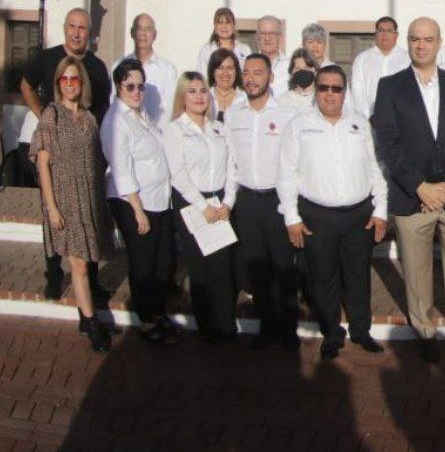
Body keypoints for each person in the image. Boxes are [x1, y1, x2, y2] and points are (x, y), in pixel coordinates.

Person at [371, 17, 445, 362]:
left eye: (428, 39)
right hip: (411, 197)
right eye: (415, 39)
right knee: (417, 270)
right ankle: (423, 330)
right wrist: (420, 186)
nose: (421, 45)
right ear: (408, 42)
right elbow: (388, 143)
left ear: (439, 43)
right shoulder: (390, 86)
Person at [279, 65, 388, 360]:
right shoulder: (298, 125)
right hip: (317, 215)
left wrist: (381, 209)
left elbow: (376, 168)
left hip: (358, 214)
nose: (329, 94)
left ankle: (361, 330)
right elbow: (287, 173)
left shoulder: (361, 124)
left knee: (357, 274)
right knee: (323, 278)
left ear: (344, 92)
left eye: (336, 88)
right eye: (323, 87)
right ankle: (331, 332)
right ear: (316, 91)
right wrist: (292, 216)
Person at [20, 8, 112, 301]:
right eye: (72, 26)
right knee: (53, 212)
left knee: (91, 215)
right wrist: (42, 114)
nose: (76, 33)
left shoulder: (97, 67)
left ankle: (92, 280)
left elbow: (104, 109)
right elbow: (25, 86)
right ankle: (54, 274)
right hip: (54, 151)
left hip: (87, 151)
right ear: (64, 28)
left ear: (89, 32)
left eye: (82, 28)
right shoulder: (47, 58)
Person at [30, 55, 116, 352]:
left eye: (74, 79)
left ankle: (84, 314)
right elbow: (42, 163)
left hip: (89, 196)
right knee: (78, 264)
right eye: (64, 79)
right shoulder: (50, 115)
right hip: (64, 198)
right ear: (58, 84)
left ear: (82, 83)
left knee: (89, 259)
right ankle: (92, 324)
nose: (69, 84)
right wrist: (51, 207)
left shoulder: (90, 118)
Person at [226, 53, 300, 349]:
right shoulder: (234, 114)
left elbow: (294, 163)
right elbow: (231, 163)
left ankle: (289, 329)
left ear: (270, 78)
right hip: (247, 202)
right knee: (257, 268)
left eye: (258, 72)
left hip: (276, 202)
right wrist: (230, 203)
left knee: (283, 266)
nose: (251, 78)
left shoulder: (285, 114)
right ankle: (268, 327)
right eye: (247, 72)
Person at [102, 58, 179, 345]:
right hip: (134, 203)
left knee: (161, 262)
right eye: (130, 86)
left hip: (158, 200)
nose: (136, 91)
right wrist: (138, 212)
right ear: (119, 86)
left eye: (141, 86)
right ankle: (146, 321)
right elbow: (121, 170)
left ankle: (159, 313)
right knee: (143, 263)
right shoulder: (116, 121)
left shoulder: (141, 114)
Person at [163, 71, 239, 345]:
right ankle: (207, 327)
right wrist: (202, 205)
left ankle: (226, 325)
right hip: (192, 203)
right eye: (192, 91)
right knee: (201, 268)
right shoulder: (174, 129)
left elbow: (232, 167)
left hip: (219, 202)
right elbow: (178, 173)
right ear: (182, 97)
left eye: (202, 91)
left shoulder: (219, 128)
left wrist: (228, 202)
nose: (198, 97)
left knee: (222, 267)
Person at [112, 13, 179, 124]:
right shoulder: (118, 66)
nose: (143, 33)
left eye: (148, 29)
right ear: (132, 33)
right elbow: (114, 103)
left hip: (158, 135)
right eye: (139, 28)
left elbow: (170, 110)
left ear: (155, 35)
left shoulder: (168, 70)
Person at [350, 16, 410, 120]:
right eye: (381, 30)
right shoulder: (362, 59)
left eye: (389, 31)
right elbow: (357, 92)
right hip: (368, 121)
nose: (385, 34)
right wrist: (369, 116)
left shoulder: (408, 59)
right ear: (375, 34)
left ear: (396, 35)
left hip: (401, 120)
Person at [195, 7, 251, 73]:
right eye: (220, 23)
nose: (224, 26)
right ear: (215, 27)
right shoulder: (206, 50)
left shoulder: (244, 49)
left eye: (227, 22)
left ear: (233, 26)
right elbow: (202, 76)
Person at [206, 48, 247, 122]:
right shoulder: (204, 96)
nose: (225, 73)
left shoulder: (245, 98)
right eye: (220, 68)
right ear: (212, 71)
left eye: (229, 68)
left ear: (236, 71)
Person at [255, 15, 291, 97]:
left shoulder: (290, 65)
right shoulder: (247, 65)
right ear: (257, 36)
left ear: (280, 36)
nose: (267, 38)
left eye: (272, 33)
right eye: (263, 33)